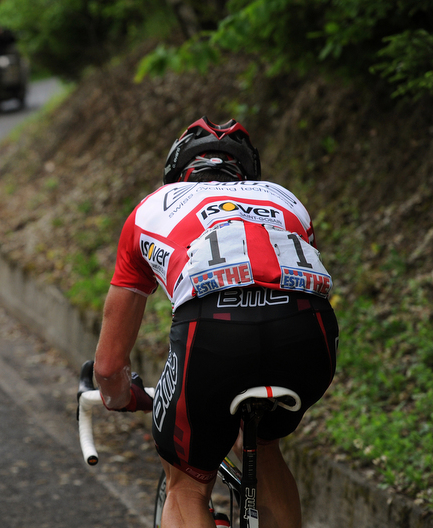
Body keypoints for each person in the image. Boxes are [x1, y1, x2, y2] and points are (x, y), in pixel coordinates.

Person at [92, 117, 339, 528]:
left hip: (214, 331)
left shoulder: (151, 207)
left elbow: (107, 366)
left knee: (186, 484)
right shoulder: (286, 200)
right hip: (309, 330)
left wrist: (118, 395)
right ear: (247, 174)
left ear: (177, 172)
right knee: (265, 444)